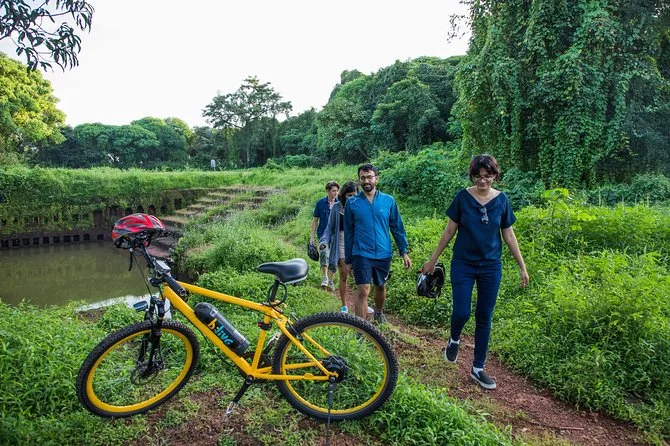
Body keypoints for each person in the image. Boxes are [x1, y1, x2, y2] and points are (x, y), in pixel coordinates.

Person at [421, 154, 529, 390]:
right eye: (478, 176)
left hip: (491, 266)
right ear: (472, 176)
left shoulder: (502, 201)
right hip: (464, 264)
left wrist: (522, 266)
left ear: (495, 176)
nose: (483, 181)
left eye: (487, 176)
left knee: (484, 315)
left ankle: (478, 368)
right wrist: (432, 260)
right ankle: (454, 339)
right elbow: (449, 231)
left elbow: (509, 235)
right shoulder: (462, 197)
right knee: (462, 311)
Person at [344, 164, 412, 322]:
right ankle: (360, 328)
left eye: (369, 177)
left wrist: (404, 251)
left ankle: (379, 314)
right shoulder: (352, 203)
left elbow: (397, 227)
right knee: (363, 290)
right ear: (359, 181)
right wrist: (348, 260)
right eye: (363, 178)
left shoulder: (388, 201)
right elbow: (349, 233)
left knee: (380, 286)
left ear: (376, 179)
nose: (366, 181)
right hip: (361, 253)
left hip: (383, 252)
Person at [319, 181, 360, 312]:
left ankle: (362, 302)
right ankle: (344, 304)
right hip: (341, 242)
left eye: (355, 195)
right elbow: (329, 227)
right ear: (344, 195)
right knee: (343, 273)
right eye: (349, 195)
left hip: (358, 242)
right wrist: (324, 241)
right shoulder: (337, 207)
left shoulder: (360, 205)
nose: (352, 198)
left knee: (361, 275)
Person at [310, 181, 340, 290]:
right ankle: (325, 277)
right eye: (333, 191)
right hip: (323, 234)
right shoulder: (320, 203)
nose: (335, 193)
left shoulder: (340, 203)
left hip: (336, 235)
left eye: (337, 191)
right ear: (328, 191)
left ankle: (331, 280)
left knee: (334, 257)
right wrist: (312, 237)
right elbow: (315, 220)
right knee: (323, 253)